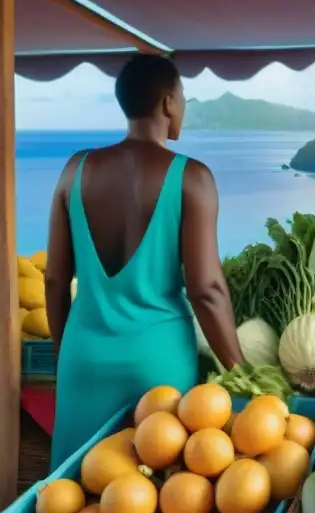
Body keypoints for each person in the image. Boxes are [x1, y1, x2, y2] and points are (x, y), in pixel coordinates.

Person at [44, 54, 245, 468]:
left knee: (71, 498)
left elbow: (53, 279)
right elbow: (206, 289)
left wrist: (68, 352)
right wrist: (240, 371)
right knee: (155, 501)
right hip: (158, 361)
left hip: (84, 355)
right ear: (168, 103)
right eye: (183, 97)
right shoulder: (192, 177)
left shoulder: (75, 169)